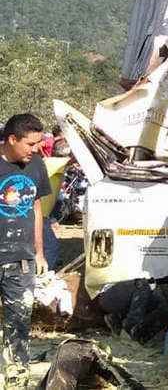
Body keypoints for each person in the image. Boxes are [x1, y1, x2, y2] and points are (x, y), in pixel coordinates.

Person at [0, 113, 51, 387]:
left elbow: (36, 207)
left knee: (19, 323)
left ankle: (16, 378)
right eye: (30, 144)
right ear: (11, 139)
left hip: (21, 261)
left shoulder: (36, 165)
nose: (36, 149)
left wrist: (39, 252)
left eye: (39, 144)